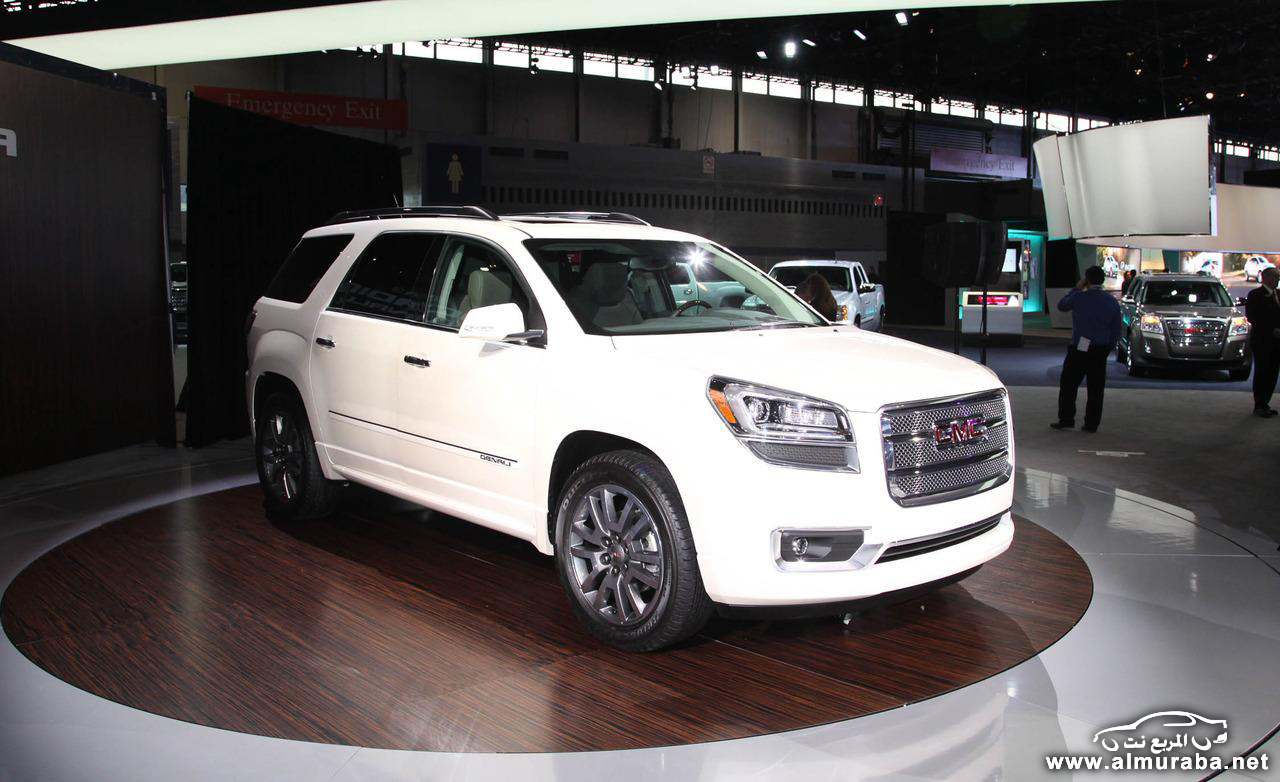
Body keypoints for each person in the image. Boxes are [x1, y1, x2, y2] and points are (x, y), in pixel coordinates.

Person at [1052, 265, 1122, 432]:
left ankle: (1066, 418)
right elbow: (1116, 330)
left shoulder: (1079, 297)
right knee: (1096, 388)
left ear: (1086, 280)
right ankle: (1092, 423)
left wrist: (1076, 288)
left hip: (1080, 346)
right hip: (1100, 348)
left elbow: (1062, 306)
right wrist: (1108, 347)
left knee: (1069, 384)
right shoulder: (1111, 301)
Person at [1245, 266, 1280, 418]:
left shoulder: (1279, 294)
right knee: (1262, 372)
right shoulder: (1255, 295)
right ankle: (1259, 405)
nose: (1277, 279)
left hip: (1277, 343)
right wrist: (1271, 329)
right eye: (1274, 276)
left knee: (1273, 373)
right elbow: (1252, 316)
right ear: (1265, 278)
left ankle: (1265, 403)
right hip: (1262, 341)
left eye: (1278, 276)